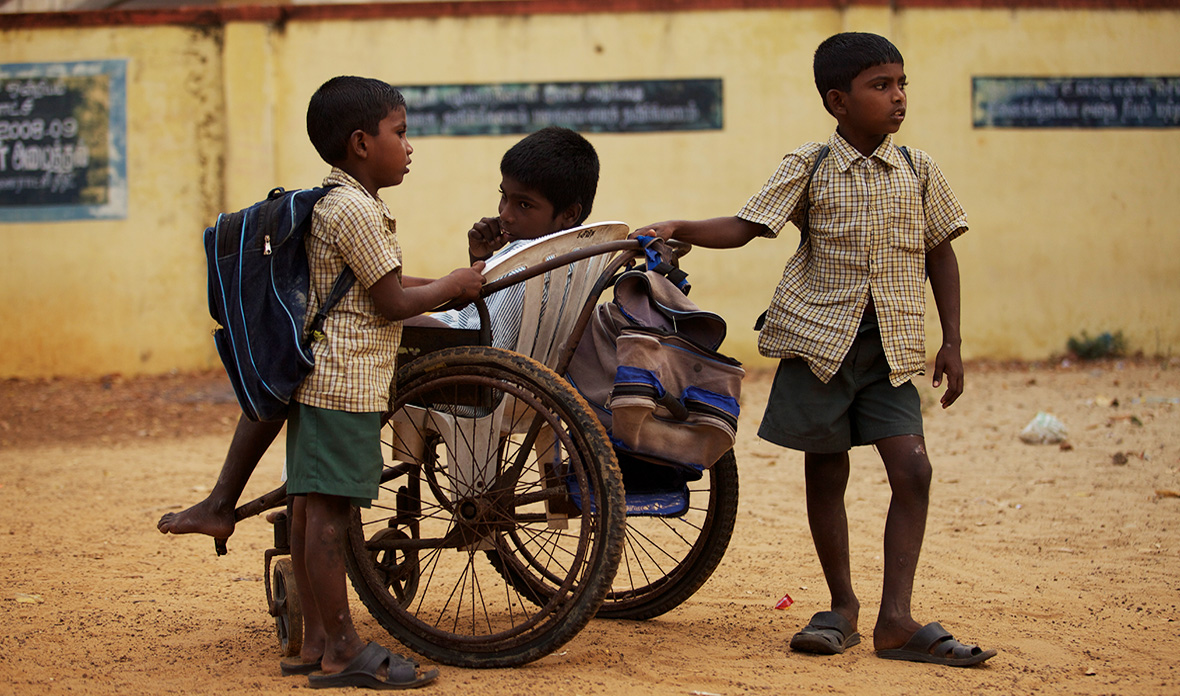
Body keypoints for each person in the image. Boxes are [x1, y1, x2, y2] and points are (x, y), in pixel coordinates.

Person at [635, 32, 996, 668]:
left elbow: (943, 250)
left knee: (912, 469)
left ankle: (897, 619)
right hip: (817, 344)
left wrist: (954, 342)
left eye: (901, 83)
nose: (898, 97)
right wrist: (678, 227)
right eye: (880, 86)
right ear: (838, 101)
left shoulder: (919, 170)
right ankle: (842, 609)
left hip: (890, 351)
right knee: (827, 471)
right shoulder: (810, 165)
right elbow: (748, 227)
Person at [157, 126, 599, 543]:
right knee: (331, 321)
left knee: (291, 354)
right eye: (504, 198)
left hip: (468, 371)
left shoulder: (528, 253)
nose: (505, 213)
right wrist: (476, 262)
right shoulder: (567, 251)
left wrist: (433, 291)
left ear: (568, 212)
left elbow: (465, 322)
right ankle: (271, 495)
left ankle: (239, 499)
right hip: (510, 377)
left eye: (524, 206)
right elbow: (483, 306)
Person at [274, 76, 484, 688]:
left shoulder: (332, 202)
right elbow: (391, 301)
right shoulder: (358, 210)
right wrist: (453, 284)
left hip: (320, 379)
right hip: (346, 383)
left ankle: (314, 642)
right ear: (362, 142)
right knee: (331, 514)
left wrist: (444, 284)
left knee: (313, 507)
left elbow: (373, 291)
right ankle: (343, 649)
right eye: (402, 132)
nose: (410, 146)